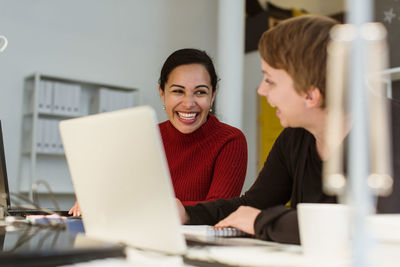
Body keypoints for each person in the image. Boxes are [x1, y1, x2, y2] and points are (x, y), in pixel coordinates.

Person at [176, 15, 341, 245]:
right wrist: (187, 213)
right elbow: (253, 205)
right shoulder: (295, 136)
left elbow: (358, 227)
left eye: (270, 80)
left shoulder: (387, 134)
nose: (261, 90)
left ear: (310, 94)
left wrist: (262, 221)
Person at [69, 48, 248, 216]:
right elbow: (122, 195)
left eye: (200, 92)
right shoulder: (146, 136)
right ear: (162, 93)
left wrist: (163, 208)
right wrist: (96, 201)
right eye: (178, 91)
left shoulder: (230, 140)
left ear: (213, 96)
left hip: (200, 247)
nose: (188, 103)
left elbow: (218, 209)